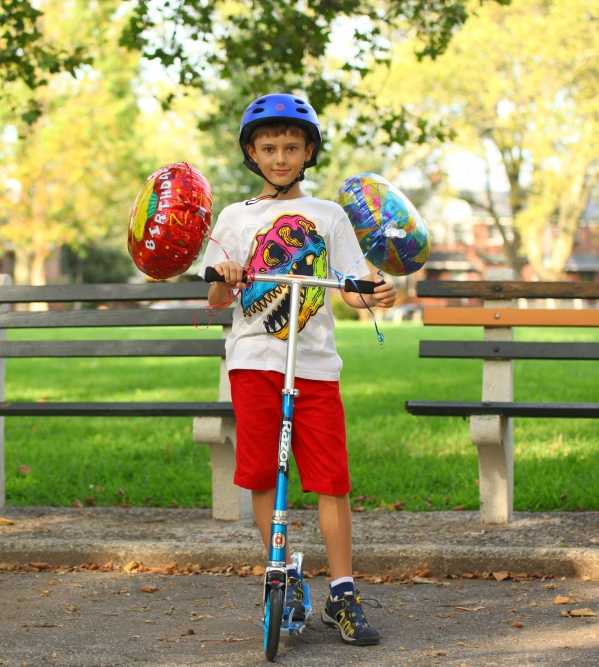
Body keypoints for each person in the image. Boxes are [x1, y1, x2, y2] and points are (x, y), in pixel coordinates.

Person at [198, 93, 396, 646]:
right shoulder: (236, 218)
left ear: (308, 152)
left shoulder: (330, 216)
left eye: (291, 147)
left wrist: (376, 294)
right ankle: (284, 579)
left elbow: (355, 290)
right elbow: (216, 296)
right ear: (252, 154)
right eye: (269, 148)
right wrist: (228, 273)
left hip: (313, 366)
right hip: (253, 364)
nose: (280, 157)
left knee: (331, 480)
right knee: (263, 474)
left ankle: (343, 592)